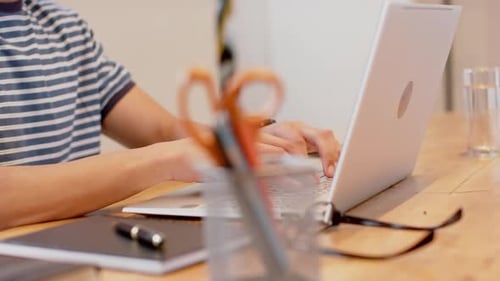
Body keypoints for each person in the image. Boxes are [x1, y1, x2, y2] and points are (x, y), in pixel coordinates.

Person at [0, 0, 341, 229]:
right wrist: (166, 160)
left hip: (77, 253)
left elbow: (162, 130)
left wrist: (251, 142)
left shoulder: (61, 25)